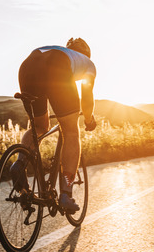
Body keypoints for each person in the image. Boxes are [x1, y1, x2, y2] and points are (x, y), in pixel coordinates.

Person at [11, 38, 97, 212]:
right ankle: (66, 194)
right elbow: (87, 97)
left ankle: (19, 164)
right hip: (57, 69)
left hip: (27, 67)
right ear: (86, 53)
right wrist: (89, 119)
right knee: (71, 132)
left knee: (39, 127)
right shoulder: (88, 63)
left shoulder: (58, 50)